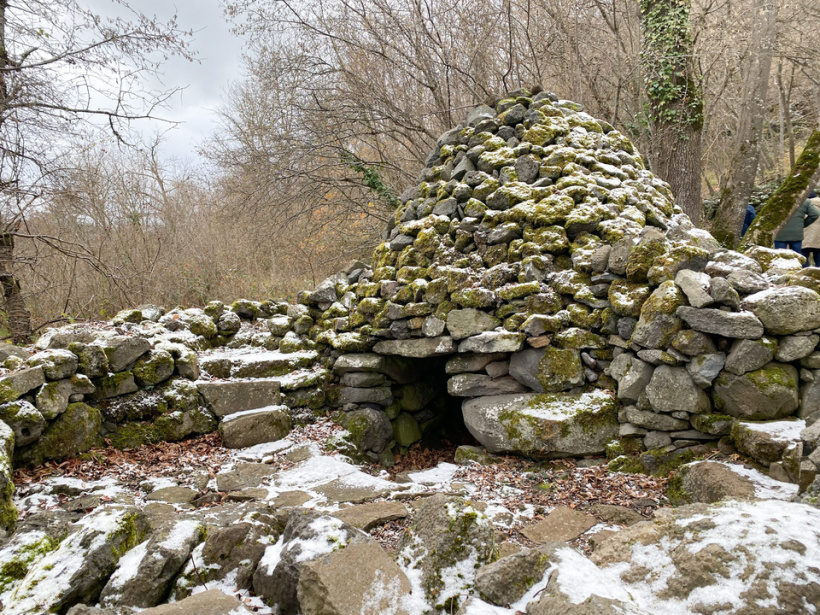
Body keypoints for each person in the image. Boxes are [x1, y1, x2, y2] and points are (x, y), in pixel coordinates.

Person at [774, 194, 819, 259]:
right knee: (796, 257)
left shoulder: (776, 200)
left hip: (779, 233)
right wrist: (802, 224)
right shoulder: (804, 201)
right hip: (797, 233)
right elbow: (815, 214)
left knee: (780, 257)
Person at [802, 191, 820, 266]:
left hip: (803, 239)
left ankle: (805, 276)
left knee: (803, 262)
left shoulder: (800, 205)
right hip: (818, 238)